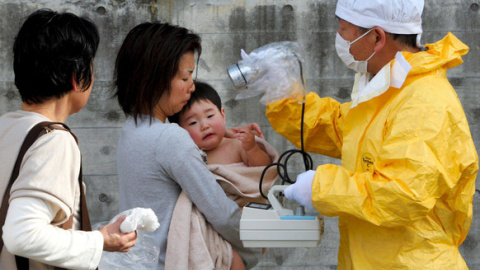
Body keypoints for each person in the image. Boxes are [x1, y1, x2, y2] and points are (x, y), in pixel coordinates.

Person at [256, 0, 479, 269]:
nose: (339, 38)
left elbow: (401, 195)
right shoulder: (391, 88)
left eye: (344, 30)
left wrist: (320, 187)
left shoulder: (423, 103)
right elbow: (338, 127)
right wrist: (283, 96)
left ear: (376, 37)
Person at [113, 22, 258, 269]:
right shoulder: (169, 138)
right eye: (184, 76)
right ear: (156, 79)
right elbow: (220, 211)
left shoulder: (131, 129)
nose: (192, 86)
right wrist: (254, 246)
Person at [0, 9, 137, 270]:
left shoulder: (6, 126)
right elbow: (23, 235)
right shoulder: (54, 141)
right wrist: (101, 241)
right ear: (77, 78)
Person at [168, 81, 272, 167]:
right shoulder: (188, 156)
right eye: (193, 122)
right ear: (180, 131)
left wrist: (252, 148)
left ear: (223, 116)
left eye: (210, 116)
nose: (205, 126)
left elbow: (264, 169)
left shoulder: (237, 145)